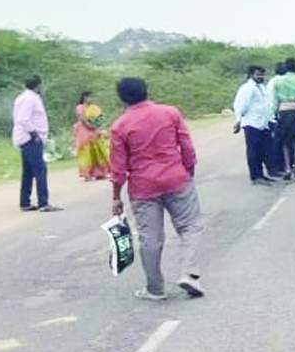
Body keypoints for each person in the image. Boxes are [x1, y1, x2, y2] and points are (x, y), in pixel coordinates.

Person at [108, 77, 205, 301]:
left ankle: (155, 289)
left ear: (121, 98)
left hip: (143, 187)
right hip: (176, 178)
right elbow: (187, 146)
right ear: (146, 91)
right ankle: (189, 273)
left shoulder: (119, 126)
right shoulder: (170, 113)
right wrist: (187, 171)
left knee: (149, 237)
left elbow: (118, 169)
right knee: (190, 227)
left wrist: (116, 197)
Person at [12, 75, 60, 212]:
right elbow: (23, 119)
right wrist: (34, 134)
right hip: (30, 139)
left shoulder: (27, 97)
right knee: (40, 170)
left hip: (30, 138)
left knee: (28, 172)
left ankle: (25, 202)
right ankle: (43, 203)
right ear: (38, 85)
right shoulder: (28, 99)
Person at [233, 65, 278, 186]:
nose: (260, 77)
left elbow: (266, 105)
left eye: (262, 74)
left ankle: (262, 175)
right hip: (252, 124)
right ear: (251, 75)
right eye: (258, 74)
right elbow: (240, 105)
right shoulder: (247, 88)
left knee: (264, 150)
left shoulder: (262, 88)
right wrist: (237, 121)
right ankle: (255, 176)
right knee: (254, 151)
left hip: (263, 124)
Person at [73, 91, 112, 181]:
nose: (92, 99)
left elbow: (99, 118)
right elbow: (81, 118)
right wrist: (89, 125)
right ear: (85, 98)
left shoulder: (93, 108)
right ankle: (87, 174)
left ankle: (100, 173)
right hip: (84, 130)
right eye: (90, 97)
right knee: (86, 152)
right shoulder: (80, 107)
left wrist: (96, 125)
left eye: (93, 97)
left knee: (97, 150)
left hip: (94, 130)